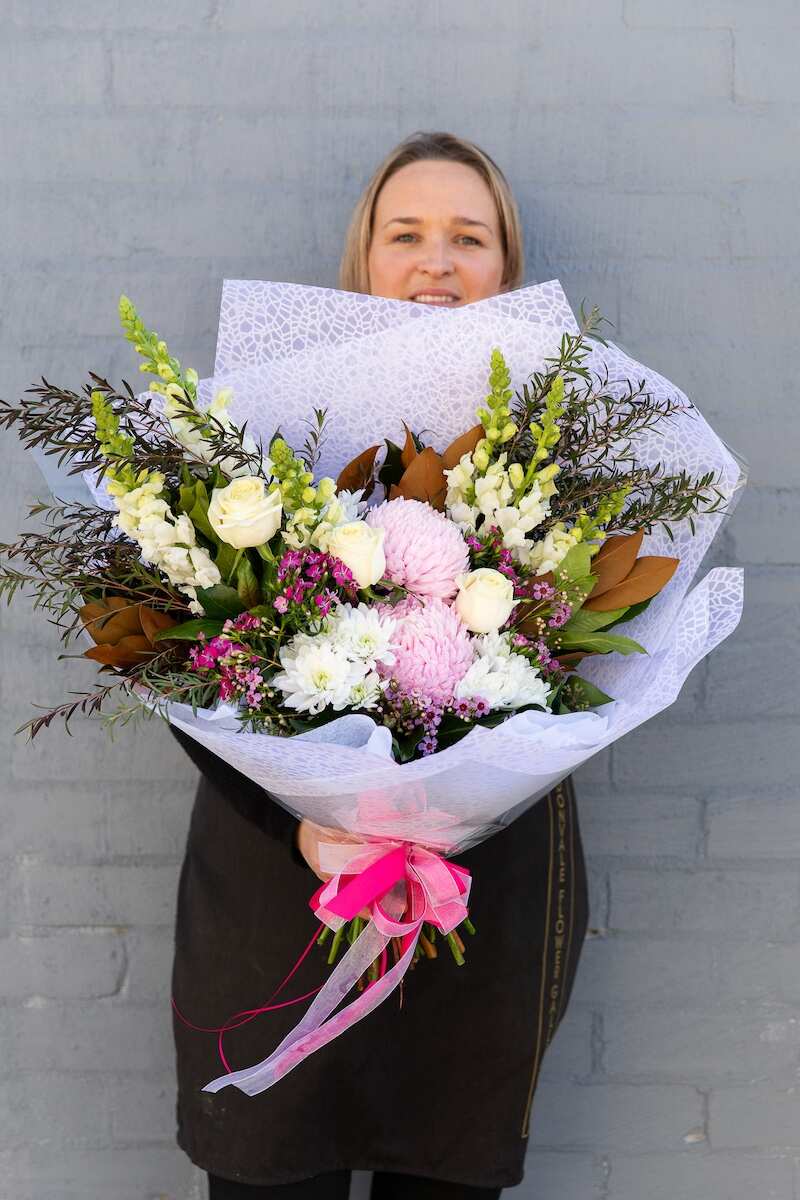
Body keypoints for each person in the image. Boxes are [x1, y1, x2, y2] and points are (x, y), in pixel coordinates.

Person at [169, 131, 590, 1200]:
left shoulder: (560, 451)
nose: (436, 263)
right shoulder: (266, 433)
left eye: (468, 238)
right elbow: (187, 659)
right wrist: (302, 822)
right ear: (363, 259)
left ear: (506, 264)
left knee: (442, 1173)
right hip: (280, 897)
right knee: (275, 1172)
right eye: (405, 235)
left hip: (476, 908)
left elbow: (591, 670)